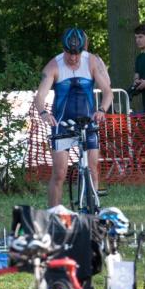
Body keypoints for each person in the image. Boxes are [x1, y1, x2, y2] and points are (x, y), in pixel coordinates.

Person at [34, 27, 113, 207]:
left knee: (92, 169)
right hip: (62, 124)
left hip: (88, 122)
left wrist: (102, 109)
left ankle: (93, 210)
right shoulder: (54, 65)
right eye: (69, 53)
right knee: (59, 173)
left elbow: (108, 92)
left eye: (77, 53)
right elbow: (40, 96)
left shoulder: (91, 61)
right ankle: (54, 214)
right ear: (64, 49)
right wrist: (44, 113)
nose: (73, 57)